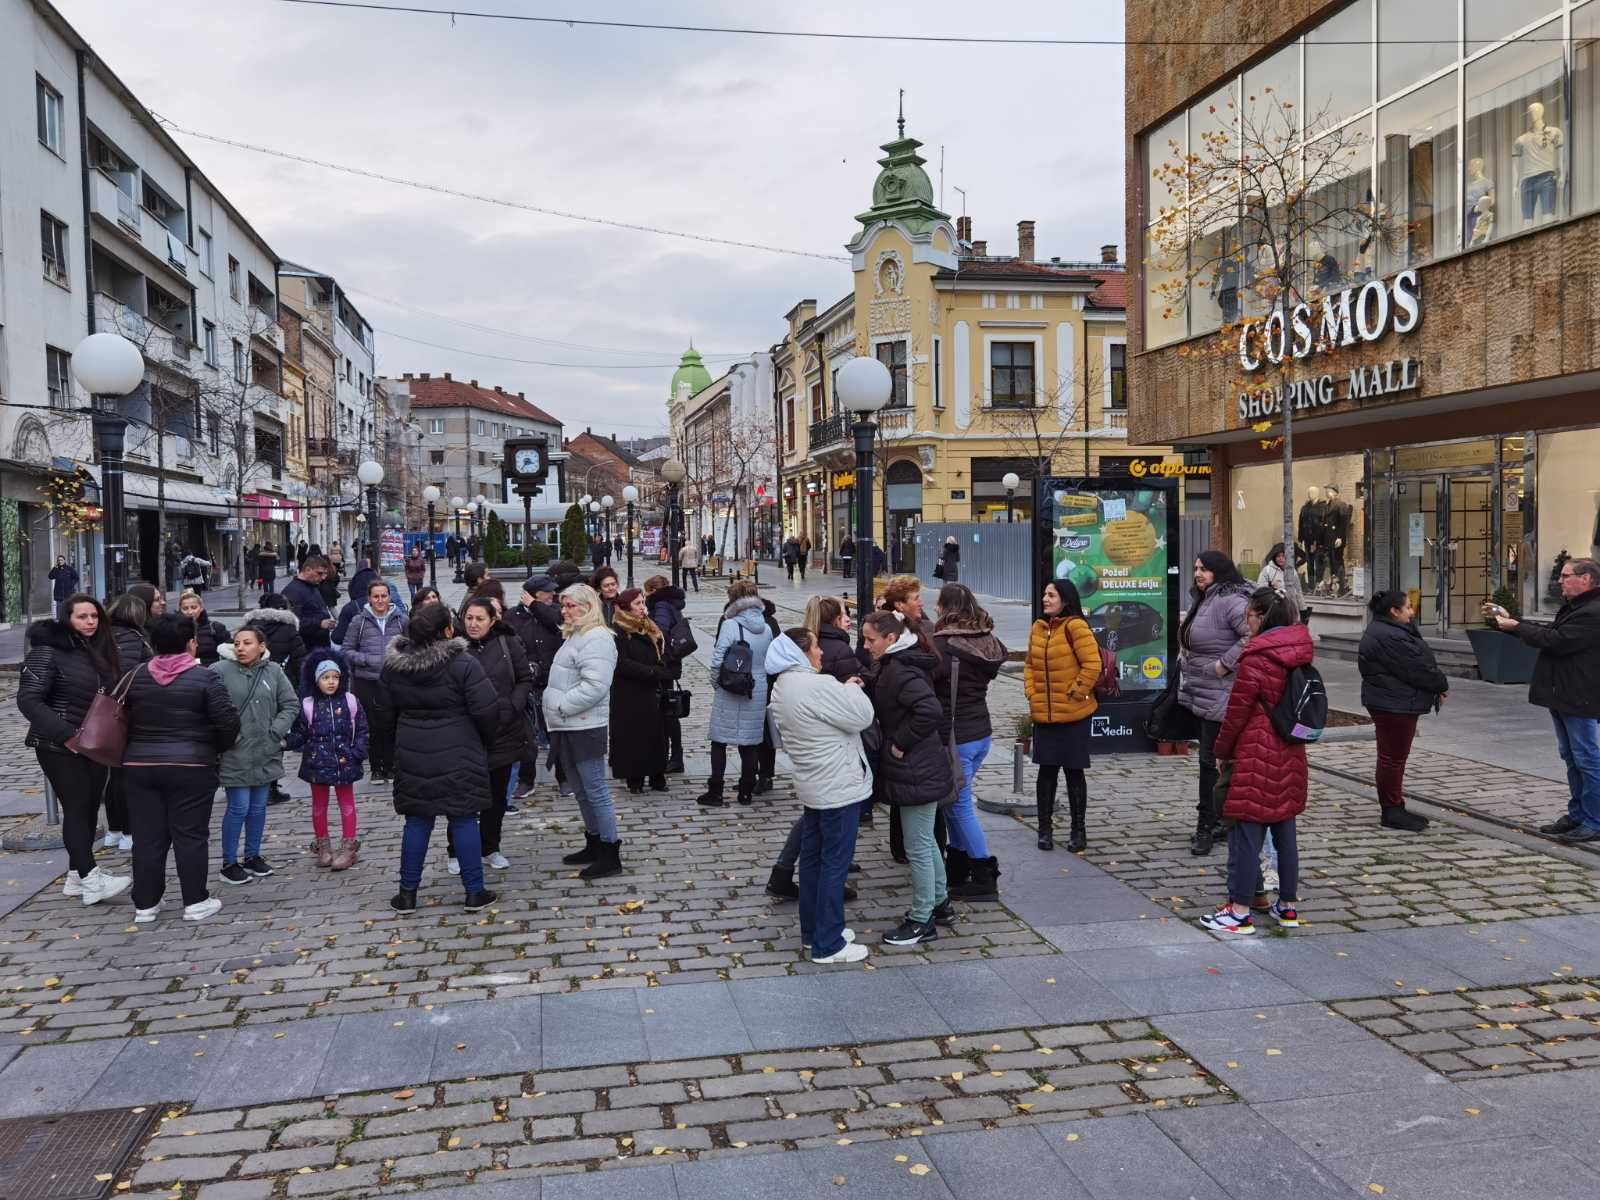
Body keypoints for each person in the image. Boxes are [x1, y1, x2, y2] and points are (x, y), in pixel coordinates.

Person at [1200, 588, 1311, 935]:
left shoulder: (1256, 658)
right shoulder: (1300, 652)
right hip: (1290, 748)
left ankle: (1240, 911)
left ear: (1261, 617)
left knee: (1247, 833)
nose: (1246, 620)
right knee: (1285, 831)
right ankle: (1288, 907)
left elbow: (1236, 713)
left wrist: (1221, 751)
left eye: (1249, 614)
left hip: (1255, 751)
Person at [376, 601, 499, 911]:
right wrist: (484, 741)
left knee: (417, 822)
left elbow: (382, 715)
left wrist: (392, 749)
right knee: (464, 818)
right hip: (460, 750)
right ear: (447, 630)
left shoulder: (394, 666)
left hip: (413, 751)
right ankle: (474, 892)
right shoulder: (463, 663)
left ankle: (407, 894)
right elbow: (487, 710)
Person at [122, 613, 241, 923]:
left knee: (147, 836)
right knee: (190, 834)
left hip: (139, 765)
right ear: (190, 643)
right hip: (191, 764)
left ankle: (146, 904)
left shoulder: (135, 675)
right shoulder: (205, 677)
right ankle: (195, 901)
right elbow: (227, 722)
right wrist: (214, 749)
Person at [766, 629, 876, 964]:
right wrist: (851, 689)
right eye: (815, 647)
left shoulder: (783, 686)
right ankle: (829, 944)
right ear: (800, 653)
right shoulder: (818, 684)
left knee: (813, 860)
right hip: (837, 784)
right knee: (834, 863)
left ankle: (814, 933)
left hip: (814, 783)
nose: (821, 653)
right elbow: (862, 717)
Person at [17, 595, 131, 905]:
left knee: (89, 810)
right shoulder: (47, 651)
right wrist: (67, 735)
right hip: (59, 745)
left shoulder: (96, 650)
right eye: (82, 617)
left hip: (94, 743)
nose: (90, 622)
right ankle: (91, 879)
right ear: (67, 618)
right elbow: (28, 700)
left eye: (94, 616)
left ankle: (75, 877)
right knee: (79, 810)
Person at [1488, 556, 1600, 843]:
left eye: (1565, 576)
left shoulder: (1592, 612)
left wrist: (1515, 626)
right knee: (1572, 757)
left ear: (1585, 579)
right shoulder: (1576, 607)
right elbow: (1551, 633)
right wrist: (1514, 623)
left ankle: (1594, 820)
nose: (1559, 580)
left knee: (1587, 759)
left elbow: (1557, 641)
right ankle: (1578, 814)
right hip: (1564, 693)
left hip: (1581, 696)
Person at [861, 610, 954, 946]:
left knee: (917, 846)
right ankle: (940, 903)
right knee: (926, 840)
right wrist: (867, 681)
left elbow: (929, 710)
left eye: (871, 640)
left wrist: (901, 741)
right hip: (919, 768)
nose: (866, 645)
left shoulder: (902, 669)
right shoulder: (893, 665)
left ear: (892, 639)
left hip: (917, 768)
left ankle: (922, 918)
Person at [764, 594, 864, 903]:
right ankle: (824, 909)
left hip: (810, 752)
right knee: (826, 827)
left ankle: (785, 874)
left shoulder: (803, 649)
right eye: (845, 614)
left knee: (814, 820)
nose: (848, 619)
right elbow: (857, 712)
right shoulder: (838, 650)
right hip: (833, 749)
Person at [1177, 552, 1255, 857]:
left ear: (1220, 572)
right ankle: (1222, 819)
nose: (1198, 573)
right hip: (1205, 690)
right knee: (1216, 762)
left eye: (1204, 569)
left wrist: (1224, 665)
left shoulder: (1230, 600)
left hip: (1222, 692)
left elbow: (1252, 635)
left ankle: (1206, 827)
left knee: (1209, 763)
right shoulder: (1206, 597)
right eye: (1196, 568)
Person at [544, 583, 623, 878]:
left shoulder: (597, 638)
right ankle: (594, 841)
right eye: (562, 606)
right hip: (569, 725)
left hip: (585, 724)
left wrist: (562, 706)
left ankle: (610, 850)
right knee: (581, 790)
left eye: (570, 606)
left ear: (588, 607)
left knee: (595, 790)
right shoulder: (577, 634)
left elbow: (596, 686)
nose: (564, 611)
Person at [933, 583, 1006, 899]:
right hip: (981, 733)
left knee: (960, 806)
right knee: (953, 804)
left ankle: (984, 874)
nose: (934, 608)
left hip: (956, 737)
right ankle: (958, 869)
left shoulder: (944, 645)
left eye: (938, 604)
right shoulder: (987, 639)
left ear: (946, 607)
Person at [211, 624, 299, 885]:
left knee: (258, 807)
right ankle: (229, 862)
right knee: (239, 807)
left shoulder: (273, 671)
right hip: (235, 751)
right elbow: (212, 707)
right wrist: (229, 734)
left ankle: (253, 856)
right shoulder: (218, 671)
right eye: (237, 643)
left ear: (262, 647)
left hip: (265, 749)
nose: (241, 647)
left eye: (247, 643)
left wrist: (275, 732)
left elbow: (290, 703)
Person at [1358, 590, 1449, 833]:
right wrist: (1440, 683)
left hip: (1394, 700)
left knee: (1392, 757)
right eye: (1408, 608)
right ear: (1393, 611)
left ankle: (1395, 805)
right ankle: (1391, 810)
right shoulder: (1389, 635)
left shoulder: (1387, 630)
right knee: (1392, 758)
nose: (1412, 611)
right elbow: (1415, 667)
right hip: (1393, 703)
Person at [1023, 579, 1100, 852]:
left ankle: (1078, 830)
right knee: (1046, 773)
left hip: (1073, 715)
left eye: (1051, 595)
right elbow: (1030, 665)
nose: (1045, 599)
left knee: (1073, 772)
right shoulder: (1038, 627)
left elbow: (1093, 664)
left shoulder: (1075, 626)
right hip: (1044, 715)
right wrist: (1031, 691)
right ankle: (1045, 830)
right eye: (1044, 594)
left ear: (1065, 600)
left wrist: (1076, 692)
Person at [457, 597, 532, 873]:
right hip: (466, 733)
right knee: (462, 796)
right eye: (469, 618)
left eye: (479, 619)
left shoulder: (507, 643)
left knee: (496, 796)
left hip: (503, 730)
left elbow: (524, 678)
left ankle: (490, 846)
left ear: (492, 621)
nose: (473, 624)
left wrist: (513, 705)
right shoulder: (456, 647)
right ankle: (456, 850)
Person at [285, 652, 369, 870]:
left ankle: (349, 846)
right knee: (319, 806)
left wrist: (357, 752)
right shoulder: (308, 705)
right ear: (316, 680)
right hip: (317, 762)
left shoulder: (350, 701)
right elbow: (300, 733)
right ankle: (323, 846)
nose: (331, 682)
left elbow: (362, 729)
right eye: (326, 677)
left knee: (347, 804)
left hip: (345, 761)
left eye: (335, 677)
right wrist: (284, 742)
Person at [698, 580, 774, 807]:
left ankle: (716, 791)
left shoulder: (730, 625)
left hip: (730, 685)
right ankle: (746, 792)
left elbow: (717, 657)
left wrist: (716, 684)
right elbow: (769, 661)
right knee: (749, 743)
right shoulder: (767, 627)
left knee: (719, 741)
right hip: (755, 687)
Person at [340, 577, 408, 783]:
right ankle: (376, 767)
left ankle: (392, 766)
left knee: (393, 723)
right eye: (376, 596)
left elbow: (412, 647)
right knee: (372, 726)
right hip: (366, 681)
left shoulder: (401, 620)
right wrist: (366, 659)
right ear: (369, 598)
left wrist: (401, 660)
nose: (380, 600)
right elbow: (346, 650)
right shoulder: (359, 621)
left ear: (390, 597)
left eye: (384, 596)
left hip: (394, 679)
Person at [610, 587, 670, 794]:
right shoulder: (619, 629)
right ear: (626, 607)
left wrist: (662, 667)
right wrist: (651, 672)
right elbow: (622, 663)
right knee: (633, 736)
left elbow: (662, 649)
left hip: (651, 690)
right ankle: (634, 777)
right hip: (629, 692)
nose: (642, 607)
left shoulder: (649, 625)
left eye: (643, 602)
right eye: (637, 603)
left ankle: (657, 775)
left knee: (655, 734)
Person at [645, 575, 689, 773]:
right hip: (670, 662)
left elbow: (659, 631)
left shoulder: (661, 605)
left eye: (647, 591)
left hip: (663, 662)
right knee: (668, 709)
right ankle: (673, 755)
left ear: (654, 591)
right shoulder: (671, 603)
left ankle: (674, 756)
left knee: (667, 711)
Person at [283, 554, 336, 654]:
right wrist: (319, 624)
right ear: (308, 570)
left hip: (319, 648)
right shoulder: (292, 591)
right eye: (320, 573)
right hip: (306, 650)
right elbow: (292, 622)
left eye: (325, 574)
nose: (323, 577)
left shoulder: (313, 586)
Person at [178, 590, 229, 667]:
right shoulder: (174, 629)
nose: (190, 612)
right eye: (185, 608)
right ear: (180, 610)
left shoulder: (216, 628)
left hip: (212, 672)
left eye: (194, 607)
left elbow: (229, 652)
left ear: (201, 608)